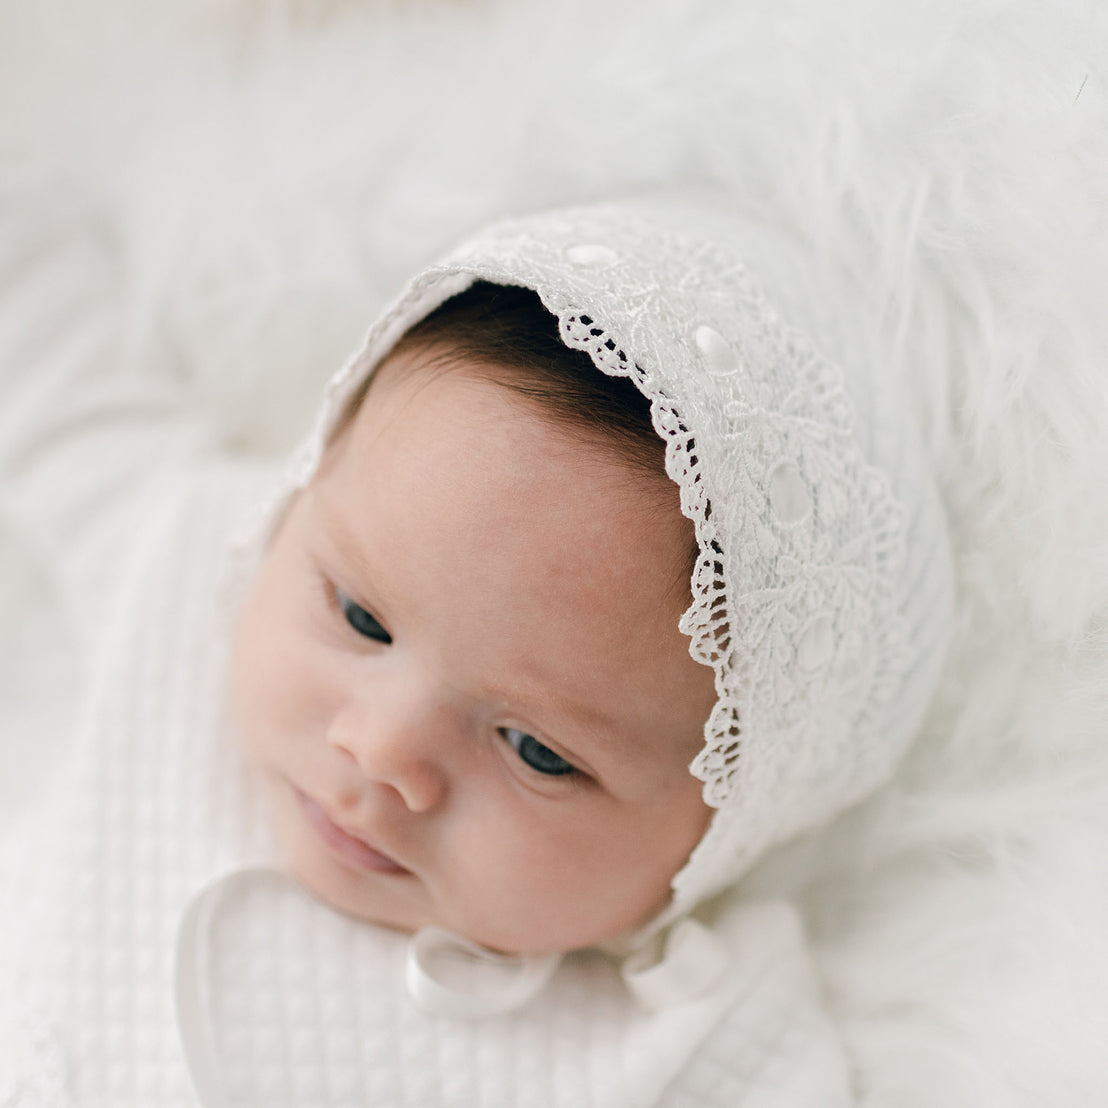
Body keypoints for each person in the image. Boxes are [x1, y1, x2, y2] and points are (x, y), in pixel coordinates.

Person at [0, 194, 952, 1107]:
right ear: (303, 490)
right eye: (362, 618)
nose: (380, 751)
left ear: (719, 838)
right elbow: (50, 362)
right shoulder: (188, 578)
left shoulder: (703, 1039)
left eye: (536, 751)